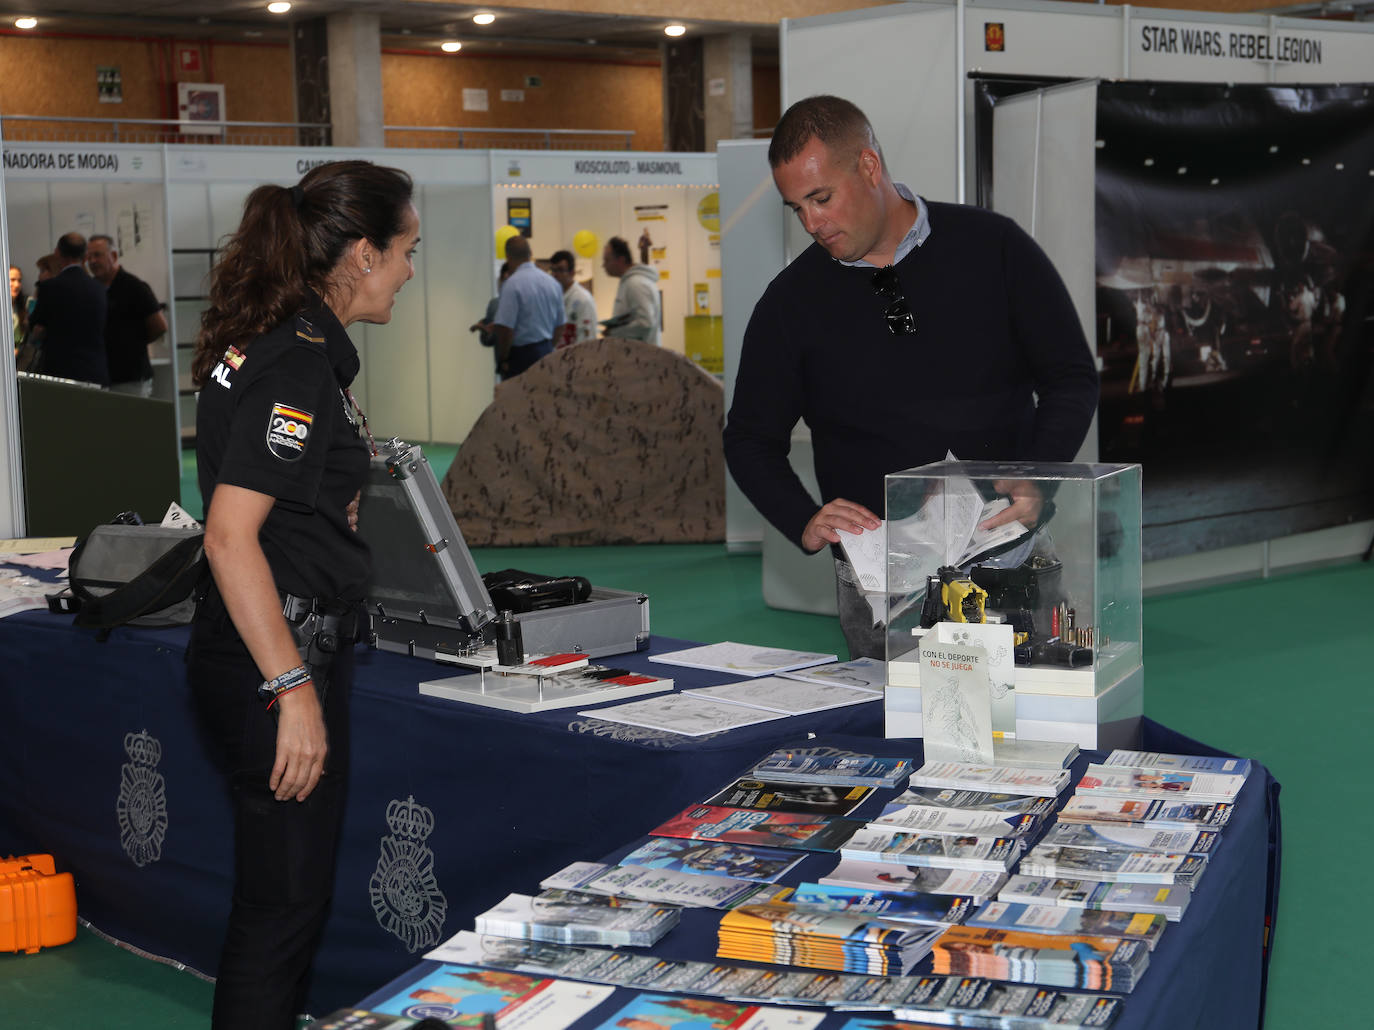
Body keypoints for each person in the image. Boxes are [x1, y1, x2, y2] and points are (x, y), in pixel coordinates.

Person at [722, 95, 1098, 659]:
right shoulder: (790, 302)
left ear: (869, 167)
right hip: (885, 587)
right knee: (899, 738)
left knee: (1036, 730)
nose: (812, 223)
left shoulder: (994, 247)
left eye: (821, 198)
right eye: (796, 207)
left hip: (1012, 557)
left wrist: (1035, 475)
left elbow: (1071, 377)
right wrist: (801, 518)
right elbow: (750, 436)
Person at [187, 159, 420, 1030]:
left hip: (259, 647)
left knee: (280, 905)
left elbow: (270, 496)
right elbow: (228, 534)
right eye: (403, 251)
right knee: (282, 914)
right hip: (275, 658)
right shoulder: (296, 362)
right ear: (360, 253)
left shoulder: (277, 343)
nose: (407, 270)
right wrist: (292, 691)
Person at [86, 233, 168, 397]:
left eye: (97, 255)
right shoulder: (91, 289)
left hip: (132, 379)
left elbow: (159, 326)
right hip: (100, 377)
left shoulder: (134, 287)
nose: (92, 261)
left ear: (114, 255)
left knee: (132, 422)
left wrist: (132, 342)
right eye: (89, 257)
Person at [27, 232, 109, 386]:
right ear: (85, 255)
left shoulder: (50, 288)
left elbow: (35, 325)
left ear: (57, 252)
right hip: (95, 371)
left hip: (61, 373)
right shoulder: (99, 288)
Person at [490, 234, 565, 379]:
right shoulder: (552, 283)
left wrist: (503, 359)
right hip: (547, 352)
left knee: (518, 401)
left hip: (521, 359)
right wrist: (548, 347)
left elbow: (506, 329)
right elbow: (560, 325)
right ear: (530, 254)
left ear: (508, 257)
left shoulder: (512, 285)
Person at [601, 232, 661, 346]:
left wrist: (614, 332)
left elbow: (645, 323)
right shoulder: (630, 282)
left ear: (621, 260)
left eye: (607, 260)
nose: (603, 265)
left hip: (643, 358)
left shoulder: (635, 284)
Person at [548, 249, 597, 348]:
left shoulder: (583, 299)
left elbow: (587, 339)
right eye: (553, 270)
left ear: (572, 273)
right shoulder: (553, 296)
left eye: (560, 270)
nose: (555, 275)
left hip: (576, 358)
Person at [470, 260, 512, 373]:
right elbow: (488, 340)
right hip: (509, 367)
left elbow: (488, 340)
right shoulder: (495, 304)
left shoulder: (498, 304)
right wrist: (485, 329)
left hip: (515, 365)